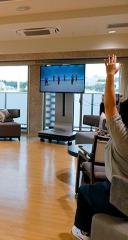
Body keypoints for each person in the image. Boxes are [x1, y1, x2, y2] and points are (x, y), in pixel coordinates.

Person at [71, 54, 128, 240]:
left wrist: (110, 74)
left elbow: (110, 106)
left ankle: (81, 230)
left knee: (85, 192)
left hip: (123, 195)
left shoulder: (124, 137)